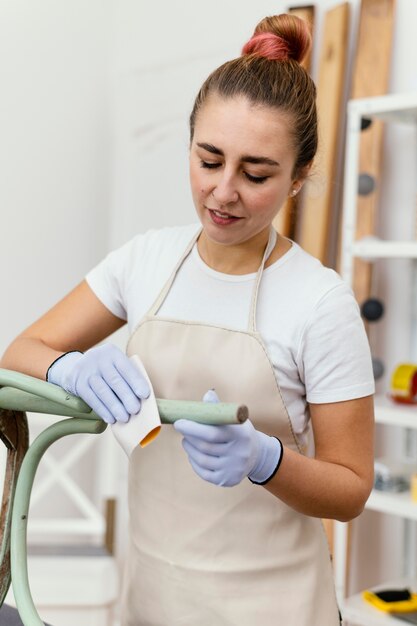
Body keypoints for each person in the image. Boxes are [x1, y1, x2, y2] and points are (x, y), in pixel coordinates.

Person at [1, 13, 375, 626]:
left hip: (272, 609)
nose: (223, 191)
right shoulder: (146, 259)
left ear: (299, 177)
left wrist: (266, 460)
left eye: (256, 174)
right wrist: (69, 367)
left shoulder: (319, 302)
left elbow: (352, 488)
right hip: (150, 597)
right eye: (208, 160)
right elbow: (21, 351)